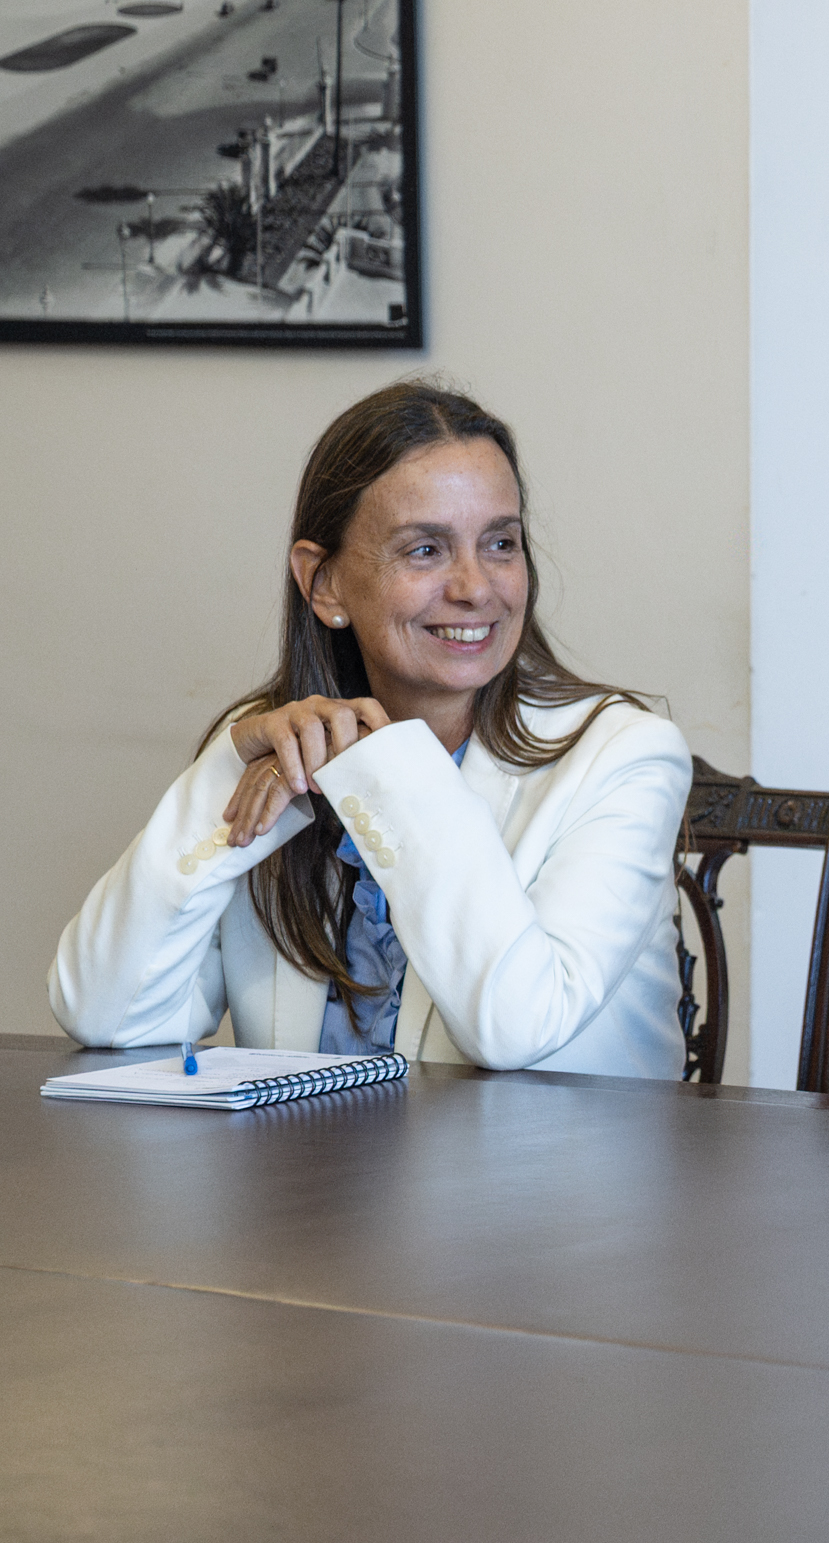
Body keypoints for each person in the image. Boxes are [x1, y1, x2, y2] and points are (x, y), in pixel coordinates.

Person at [51, 380, 694, 1077]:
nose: (476, 587)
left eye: (500, 543)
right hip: (311, 1154)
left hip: (554, 1153)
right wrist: (222, 777)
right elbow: (106, 1015)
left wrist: (387, 766)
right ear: (323, 582)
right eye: (426, 550)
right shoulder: (277, 743)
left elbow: (517, 1029)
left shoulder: (625, 756)